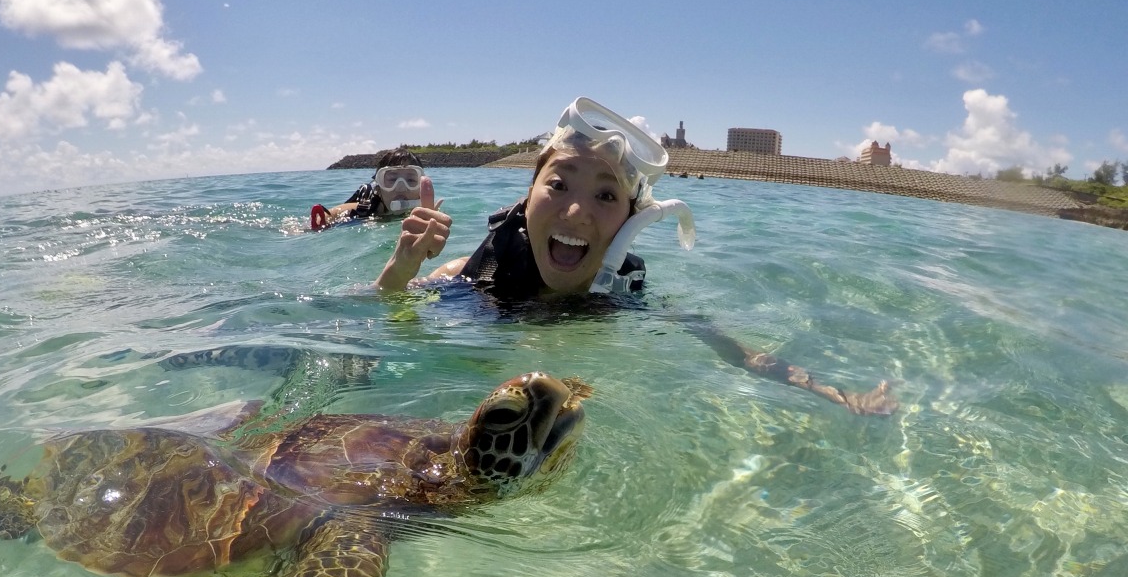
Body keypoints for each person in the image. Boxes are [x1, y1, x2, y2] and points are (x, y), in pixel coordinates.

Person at [373, 96, 898, 416]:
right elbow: (371, 325)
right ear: (526, 197)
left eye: (606, 195)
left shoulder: (626, 296)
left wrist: (832, 391)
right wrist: (398, 273)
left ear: (631, 221)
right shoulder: (466, 279)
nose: (576, 212)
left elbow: (738, 354)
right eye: (558, 184)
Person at [311, 148, 429, 230]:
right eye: (392, 179)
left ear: (420, 187)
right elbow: (331, 214)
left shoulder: (424, 210)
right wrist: (321, 224)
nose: (401, 187)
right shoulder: (366, 209)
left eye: (411, 180)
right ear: (378, 187)